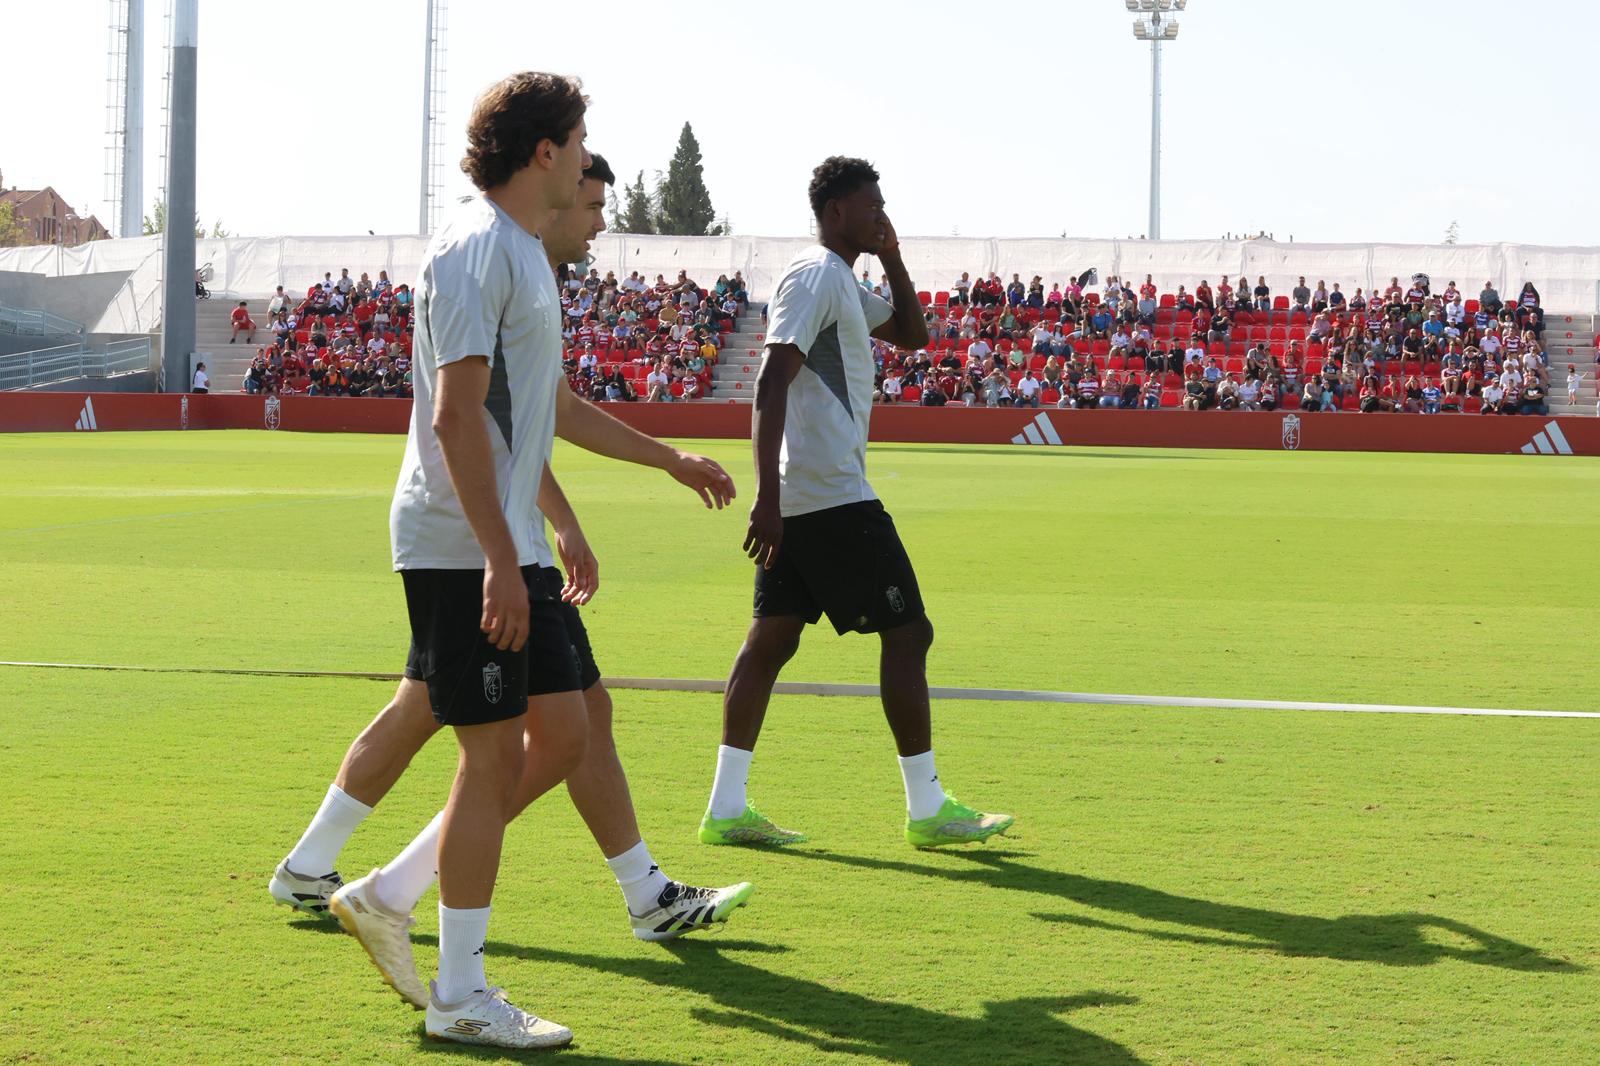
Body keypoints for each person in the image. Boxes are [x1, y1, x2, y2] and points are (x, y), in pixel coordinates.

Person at [272, 75, 721, 1053]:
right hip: (461, 544)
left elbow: (547, 408)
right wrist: (496, 559)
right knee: (488, 756)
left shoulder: (514, 252)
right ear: (546, 152)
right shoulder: (480, 250)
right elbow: (456, 413)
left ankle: (386, 892)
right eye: (582, 138)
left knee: (563, 734)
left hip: (497, 542)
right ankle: (458, 991)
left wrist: (669, 459)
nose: (591, 158)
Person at [700, 157, 1013, 851]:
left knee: (770, 642)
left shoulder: (841, 278)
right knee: (908, 634)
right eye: (873, 205)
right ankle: (927, 808)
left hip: (810, 496)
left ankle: (725, 808)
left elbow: (911, 334)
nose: (882, 213)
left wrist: (894, 256)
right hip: (831, 497)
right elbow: (770, 382)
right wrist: (766, 499)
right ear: (837, 210)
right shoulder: (814, 276)